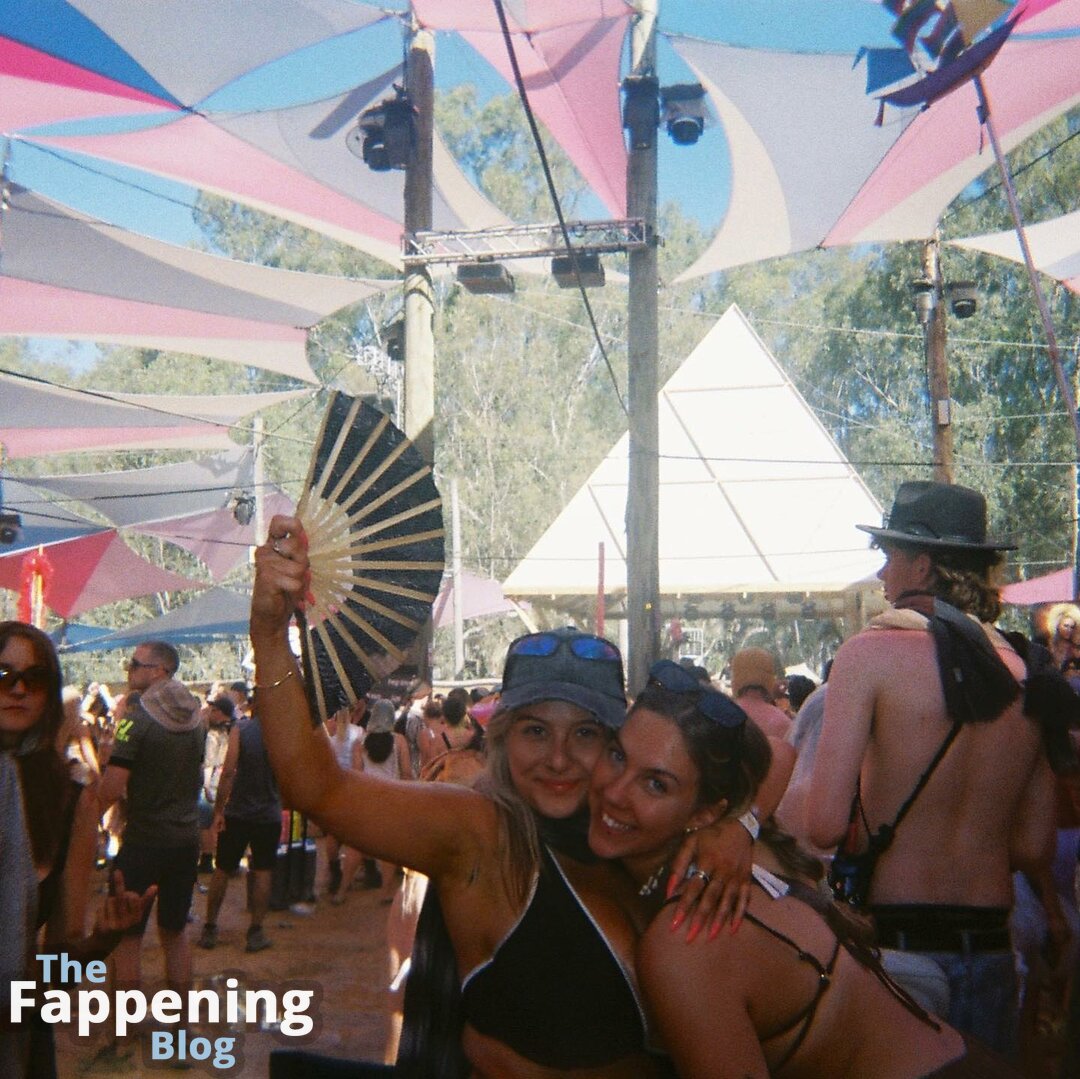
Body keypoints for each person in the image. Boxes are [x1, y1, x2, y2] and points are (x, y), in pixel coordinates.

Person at [251, 515, 758, 1077]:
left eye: (586, 734)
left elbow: (767, 751)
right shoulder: (481, 835)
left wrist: (741, 825)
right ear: (501, 737)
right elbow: (318, 788)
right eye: (535, 731)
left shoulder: (626, 838)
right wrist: (269, 635)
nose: (559, 759)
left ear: (619, 747)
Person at [589, 661, 1019, 1078]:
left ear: (705, 813)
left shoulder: (689, 939)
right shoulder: (739, 850)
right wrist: (743, 824)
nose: (614, 791)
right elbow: (777, 752)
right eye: (617, 755)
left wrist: (742, 825)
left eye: (656, 784)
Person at [807, 481, 1058, 1056]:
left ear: (921, 566)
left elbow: (823, 825)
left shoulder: (868, 656)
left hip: (899, 946)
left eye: (889, 556)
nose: (881, 574)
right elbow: (1033, 848)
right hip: (991, 946)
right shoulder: (1026, 673)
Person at [0, 622, 152, 1078]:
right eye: (3, 674)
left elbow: (56, 959)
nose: (18, 689)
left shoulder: (71, 800)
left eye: (35, 678)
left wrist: (103, 939)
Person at [99, 640, 206, 999]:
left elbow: (112, 787)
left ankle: (125, 1026)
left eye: (134, 664)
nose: (128, 671)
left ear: (160, 670)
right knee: (175, 934)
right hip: (186, 839)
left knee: (127, 937)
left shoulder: (136, 720)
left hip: (144, 841)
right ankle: (181, 1022)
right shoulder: (197, 719)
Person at [198, 700, 282, 953]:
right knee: (263, 870)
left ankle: (210, 927)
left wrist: (219, 810)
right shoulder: (282, 734)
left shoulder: (241, 730)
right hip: (269, 813)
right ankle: (256, 931)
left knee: (223, 868)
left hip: (238, 812)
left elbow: (228, 771)